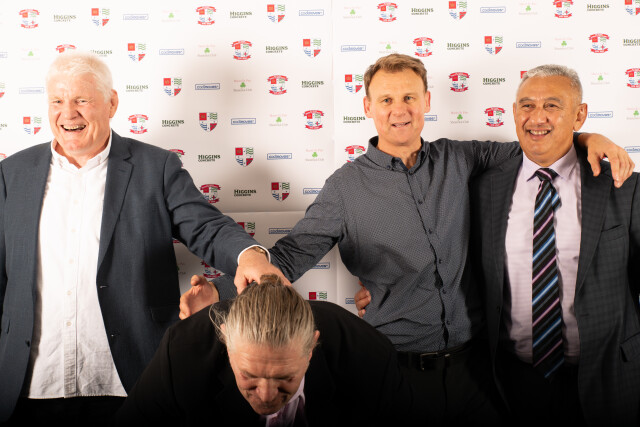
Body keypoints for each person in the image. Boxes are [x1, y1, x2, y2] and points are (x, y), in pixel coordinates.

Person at [181, 54, 633, 424]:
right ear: (368, 107)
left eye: (410, 97)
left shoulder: (461, 158)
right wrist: (219, 293)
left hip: (478, 373)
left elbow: (539, 143)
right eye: (387, 99)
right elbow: (290, 257)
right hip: (395, 371)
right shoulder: (345, 188)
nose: (400, 110)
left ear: (426, 102)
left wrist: (589, 137)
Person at [0, 51, 286, 424]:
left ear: (111, 103)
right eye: (57, 101)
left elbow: (206, 227)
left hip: (133, 379)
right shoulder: (12, 174)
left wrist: (249, 256)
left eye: (82, 100)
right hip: (31, 383)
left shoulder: (156, 167)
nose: (68, 113)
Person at [469, 64, 640, 426]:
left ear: (579, 115)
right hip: (512, 381)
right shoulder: (484, 187)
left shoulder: (625, 187)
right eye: (527, 105)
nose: (537, 117)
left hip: (607, 376)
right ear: (514, 112)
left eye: (552, 105)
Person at [116, 274, 416, 426]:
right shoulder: (182, 353)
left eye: (285, 378)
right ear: (227, 345)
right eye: (249, 376)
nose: (267, 396)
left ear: (311, 349)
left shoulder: (367, 357)